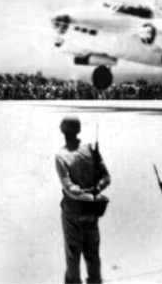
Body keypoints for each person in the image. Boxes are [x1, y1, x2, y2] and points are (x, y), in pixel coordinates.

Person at [55, 116, 110, 284]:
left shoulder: (61, 156)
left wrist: (84, 194)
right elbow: (106, 178)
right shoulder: (90, 150)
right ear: (78, 130)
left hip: (73, 211)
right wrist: (95, 193)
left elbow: (69, 188)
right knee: (93, 254)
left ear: (62, 131)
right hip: (92, 210)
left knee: (73, 256)